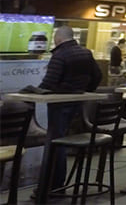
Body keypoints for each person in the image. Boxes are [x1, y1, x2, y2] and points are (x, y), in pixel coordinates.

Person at [37, 26, 102, 192]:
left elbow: (49, 83)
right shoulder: (86, 53)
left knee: (55, 141)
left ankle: (52, 186)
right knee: (62, 140)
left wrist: (34, 92)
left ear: (58, 38)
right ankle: (57, 185)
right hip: (77, 103)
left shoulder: (60, 55)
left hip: (59, 104)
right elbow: (97, 76)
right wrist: (84, 90)